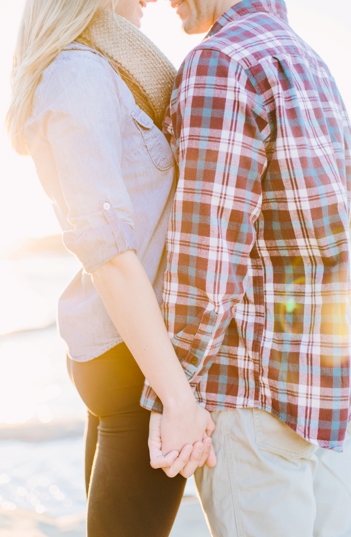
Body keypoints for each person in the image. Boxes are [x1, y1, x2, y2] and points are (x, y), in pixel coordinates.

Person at [6, 1, 215, 535]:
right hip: (137, 364)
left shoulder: (106, 72)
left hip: (122, 355)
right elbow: (111, 257)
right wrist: (178, 399)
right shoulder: (80, 76)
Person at [142, 0, 351, 534]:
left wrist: (173, 393)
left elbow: (208, 258)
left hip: (250, 397)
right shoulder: (309, 62)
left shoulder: (222, 62)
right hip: (325, 393)